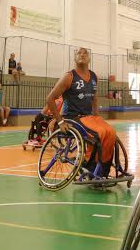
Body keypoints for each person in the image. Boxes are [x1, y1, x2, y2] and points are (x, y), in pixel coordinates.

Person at [45, 47, 116, 177]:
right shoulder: (69, 76)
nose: (82, 54)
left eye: (85, 53)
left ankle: (102, 171)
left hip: (89, 117)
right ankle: (88, 165)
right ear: (75, 58)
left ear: (89, 59)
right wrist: (60, 121)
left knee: (111, 132)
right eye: (79, 53)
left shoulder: (94, 76)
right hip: (72, 117)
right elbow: (50, 98)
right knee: (99, 133)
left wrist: (97, 116)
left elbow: (94, 97)